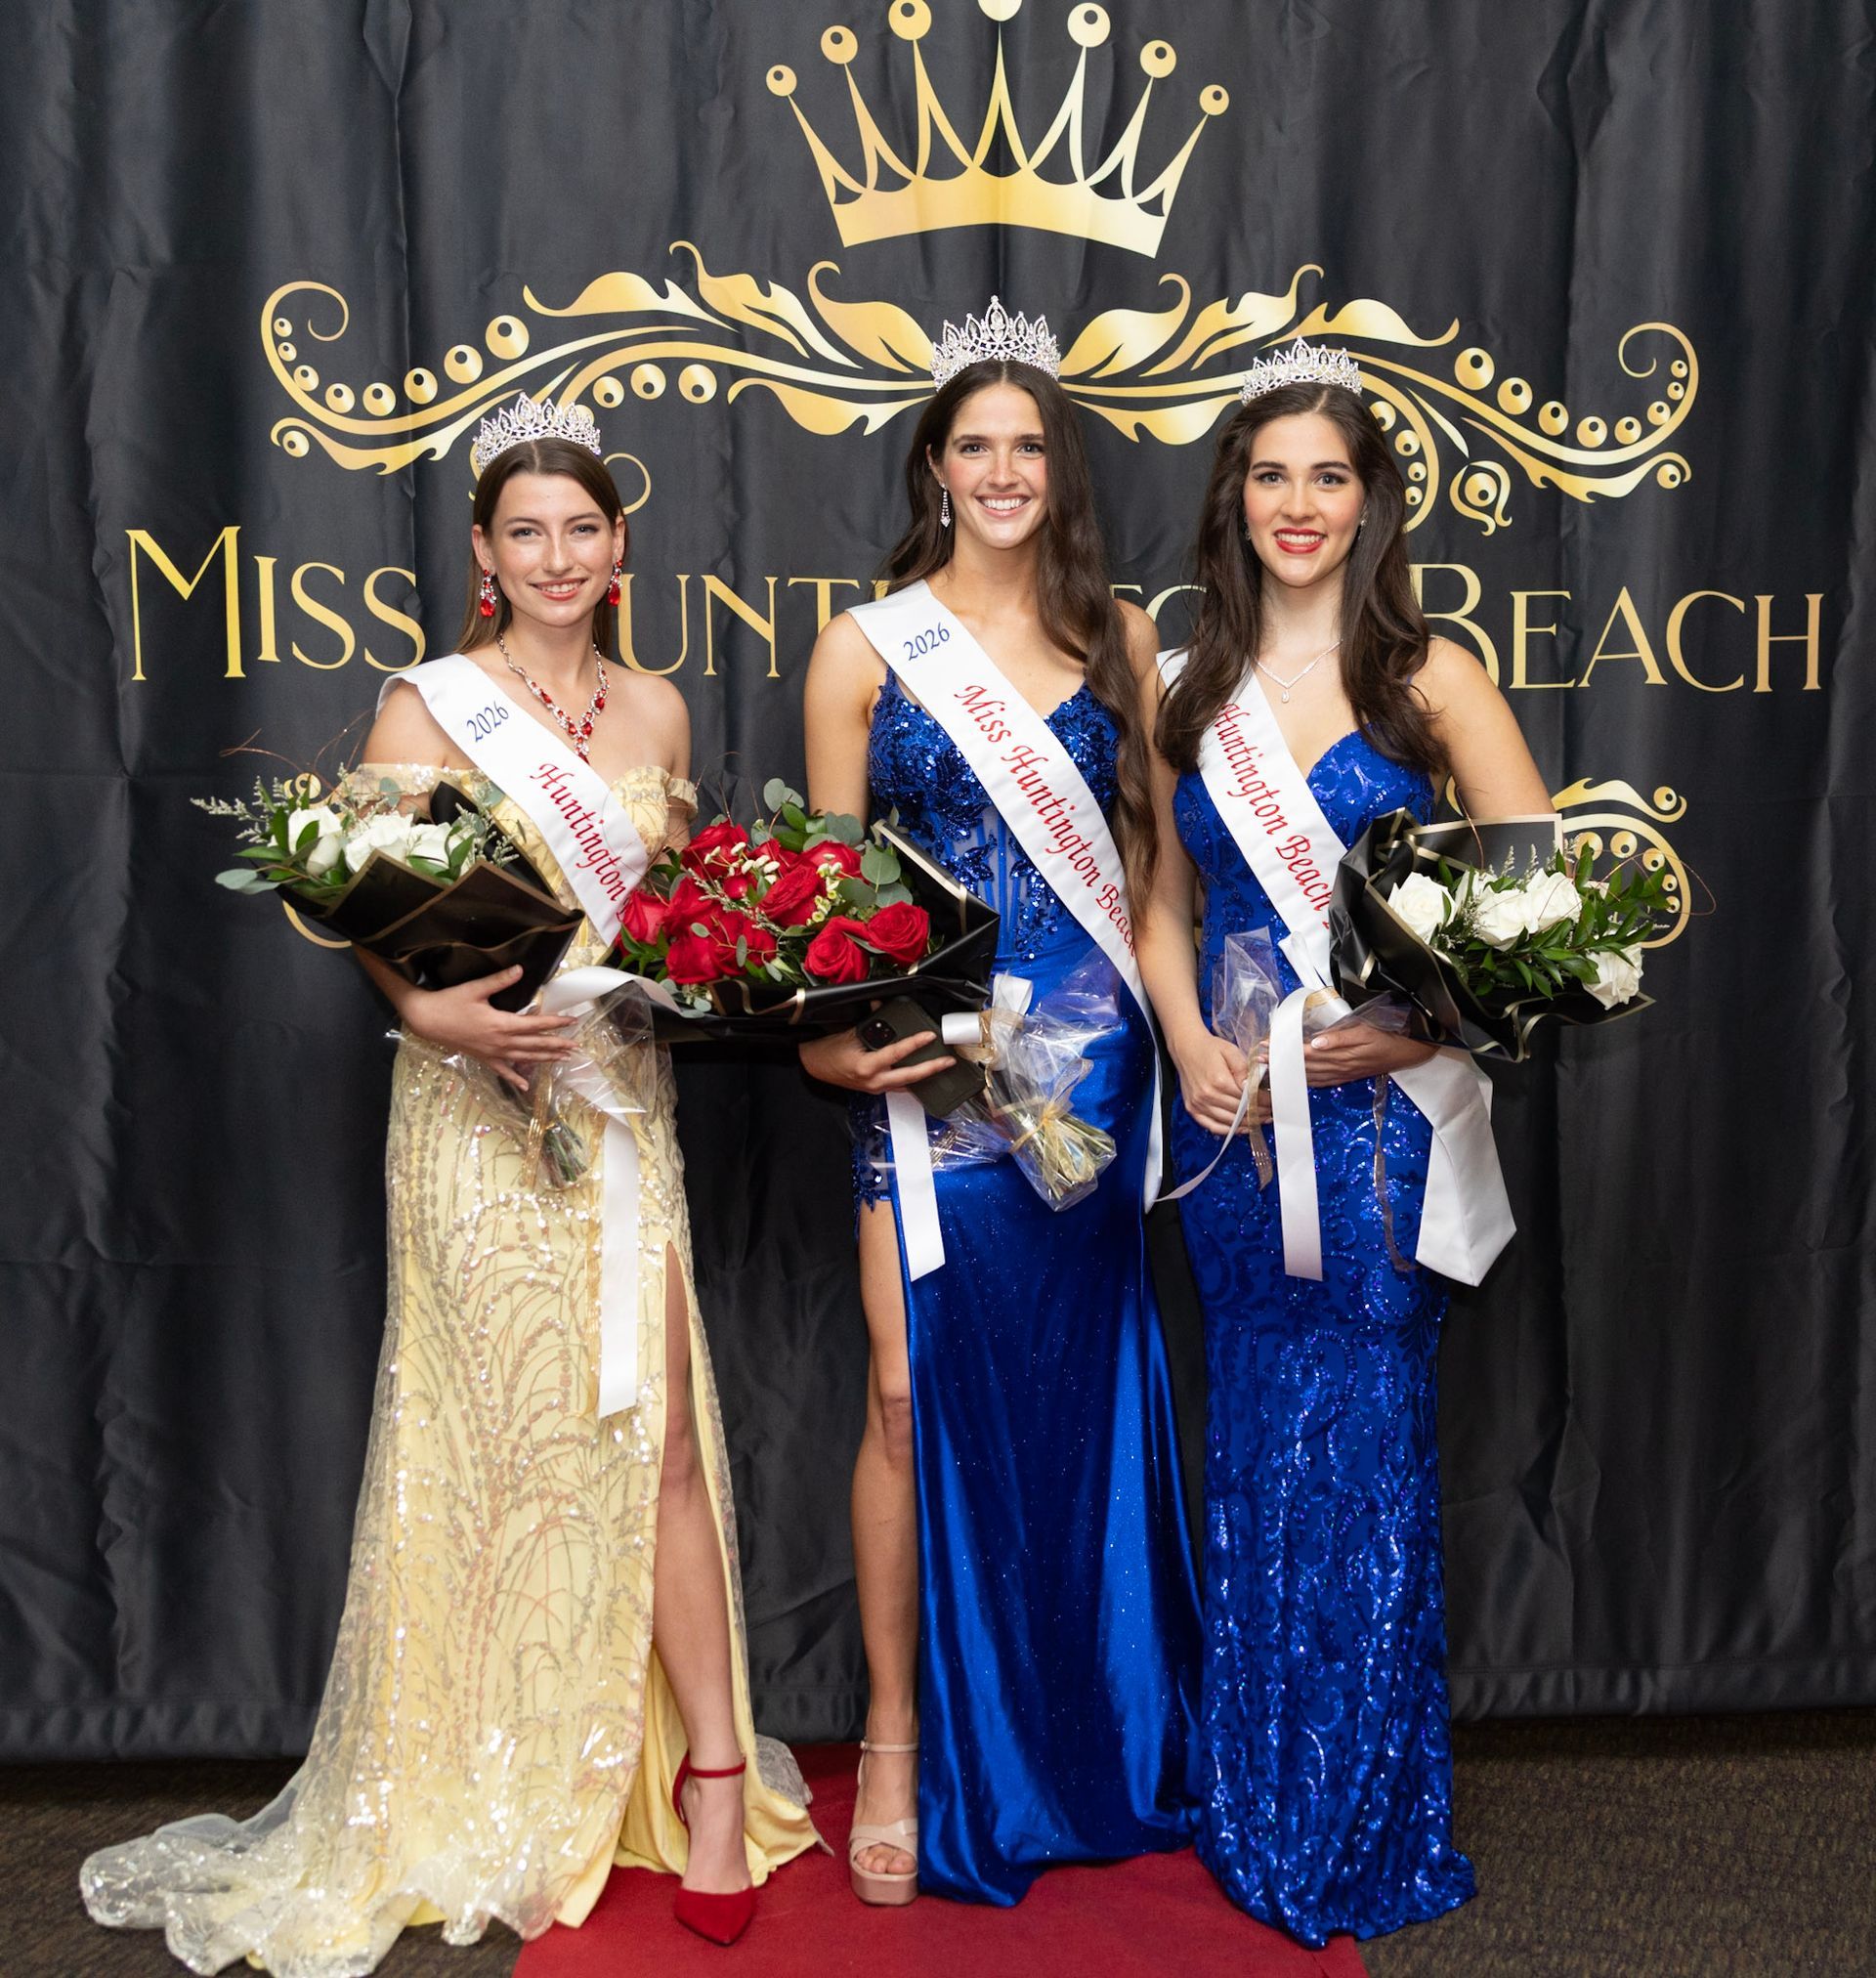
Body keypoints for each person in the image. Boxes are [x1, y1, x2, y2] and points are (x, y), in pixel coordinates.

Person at [81, 398, 815, 1970]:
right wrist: (423, 1009)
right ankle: (493, 1769)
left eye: (583, 528)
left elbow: (675, 921)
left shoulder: (662, 713)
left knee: (661, 1427)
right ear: (484, 554)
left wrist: (707, 973)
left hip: (620, 1105)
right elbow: (362, 908)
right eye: (525, 532)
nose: (557, 556)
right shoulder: (426, 710)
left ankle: (705, 1775)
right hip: (469, 1123)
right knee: (485, 1439)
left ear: (621, 547)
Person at [1132, 345, 1553, 1945]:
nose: (1299, 505)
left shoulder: (1427, 675)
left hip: (1379, 1131)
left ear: (1370, 502)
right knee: (1253, 1447)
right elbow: (1164, 899)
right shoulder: (1189, 688)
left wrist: (1427, 1026)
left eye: (1328, 477)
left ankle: (1360, 1814)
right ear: (1233, 501)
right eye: (1270, 475)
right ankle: (1256, 1796)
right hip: (1238, 1124)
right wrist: (1185, 1041)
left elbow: (1537, 902)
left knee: (1359, 1455)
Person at [798, 300, 1202, 1908]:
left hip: (1087, 1070)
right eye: (977, 443)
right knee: (907, 1395)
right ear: (936, 468)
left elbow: (1162, 864)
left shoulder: (1121, 645)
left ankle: (1092, 1720)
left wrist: (1166, 1027)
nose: (1004, 470)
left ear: (1061, 468)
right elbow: (826, 893)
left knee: (1072, 1393)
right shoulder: (865, 645)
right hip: (926, 1064)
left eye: (1031, 443)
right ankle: (900, 1735)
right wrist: (830, 1043)